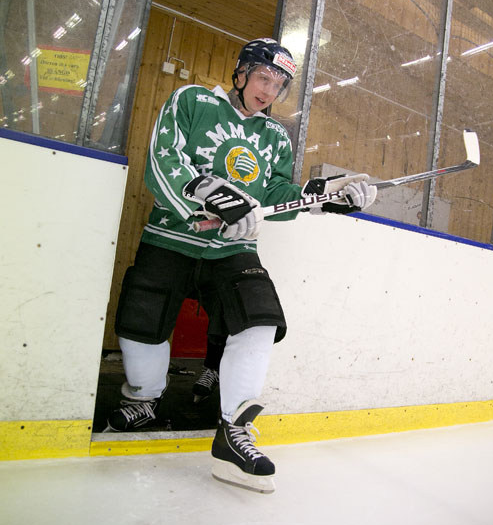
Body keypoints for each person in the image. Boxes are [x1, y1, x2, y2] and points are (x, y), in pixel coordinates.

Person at [107, 37, 377, 493]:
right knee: (142, 319)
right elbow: (161, 160)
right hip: (172, 237)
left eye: (280, 85)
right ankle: (144, 398)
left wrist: (323, 196)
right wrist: (205, 191)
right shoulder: (191, 101)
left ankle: (233, 432)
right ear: (242, 73)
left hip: (233, 250)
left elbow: (275, 194)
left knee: (259, 320)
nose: (269, 91)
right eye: (264, 77)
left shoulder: (275, 138)